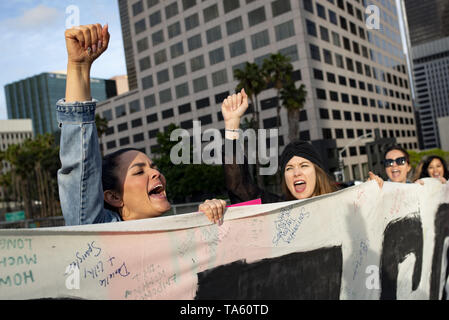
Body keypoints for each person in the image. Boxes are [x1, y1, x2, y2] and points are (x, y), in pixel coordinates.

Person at [57, 23, 225, 226]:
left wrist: (209, 221)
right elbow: (80, 169)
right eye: (139, 171)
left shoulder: (180, 233)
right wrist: (78, 67)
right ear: (114, 197)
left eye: (153, 167)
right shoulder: (103, 237)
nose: (156, 173)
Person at [221, 89, 337, 204]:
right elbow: (240, 189)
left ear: (318, 172)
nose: (296, 173)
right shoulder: (278, 208)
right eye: (289, 168)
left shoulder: (343, 205)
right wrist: (232, 125)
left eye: (304, 165)